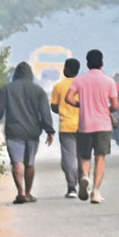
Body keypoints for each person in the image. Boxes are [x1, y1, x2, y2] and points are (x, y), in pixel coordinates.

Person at [0, 61, 56, 204]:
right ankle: (29, 193)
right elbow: (44, 112)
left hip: (13, 131)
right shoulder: (38, 91)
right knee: (30, 163)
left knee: (17, 162)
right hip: (32, 132)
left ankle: (21, 191)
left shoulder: (6, 89)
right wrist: (49, 130)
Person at [65, 49, 119, 204]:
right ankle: (95, 192)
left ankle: (84, 177)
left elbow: (68, 98)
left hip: (85, 124)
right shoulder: (109, 81)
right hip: (103, 124)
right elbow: (115, 105)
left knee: (85, 156)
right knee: (100, 157)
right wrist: (106, 109)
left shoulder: (80, 80)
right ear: (102, 63)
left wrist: (80, 105)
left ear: (87, 64)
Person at [49, 58, 82, 198]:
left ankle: (72, 187)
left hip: (66, 126)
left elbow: (54, 106)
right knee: (83, 156)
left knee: (68, 158)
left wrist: (61, 110)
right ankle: (83, 179)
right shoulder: (82, 85)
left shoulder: (59, 86)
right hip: (83, 125)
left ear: (67, 69)